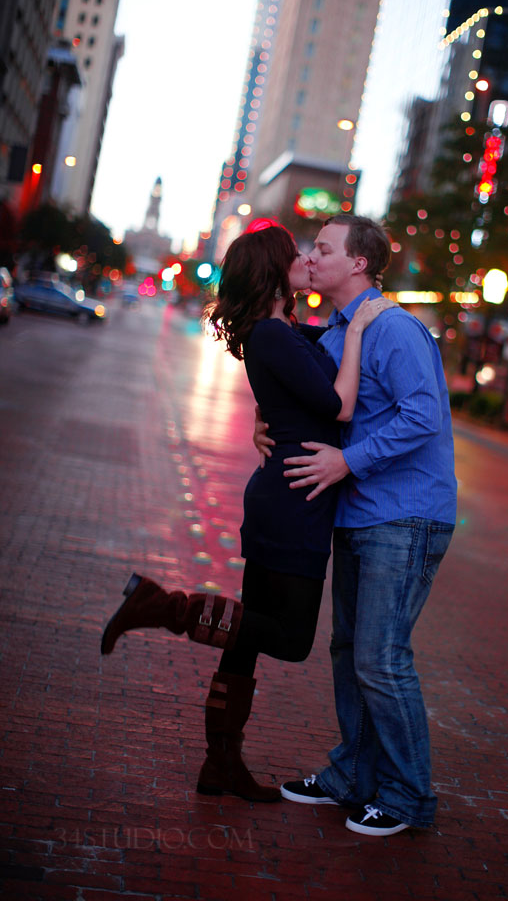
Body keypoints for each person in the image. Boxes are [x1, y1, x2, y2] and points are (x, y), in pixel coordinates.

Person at [101, 220, 394, 803]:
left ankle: (221, 765)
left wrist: (340, 329)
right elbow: (338, 404)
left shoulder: (280, 332)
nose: (305, 258)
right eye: (296, 253)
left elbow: (310, 363)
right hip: (294, 502)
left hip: (282, 496)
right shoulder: (273, 335)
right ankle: (164, 605)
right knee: (289, 640)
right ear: (272, 269)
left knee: (247, 638)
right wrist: (360, 329)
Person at [255, 214, 457, 837]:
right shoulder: (335, 332)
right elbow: (318, 403)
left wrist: (349, 460)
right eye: (311, 249)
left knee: (381, 658)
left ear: (360, 264)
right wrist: (269, 427)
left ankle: (407, 796)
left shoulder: (394, 328)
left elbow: (423, 415)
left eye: (323, 248)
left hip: (408, 512)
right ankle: (353, 777)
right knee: (351, 653)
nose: (311, 258)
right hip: (358, 512)